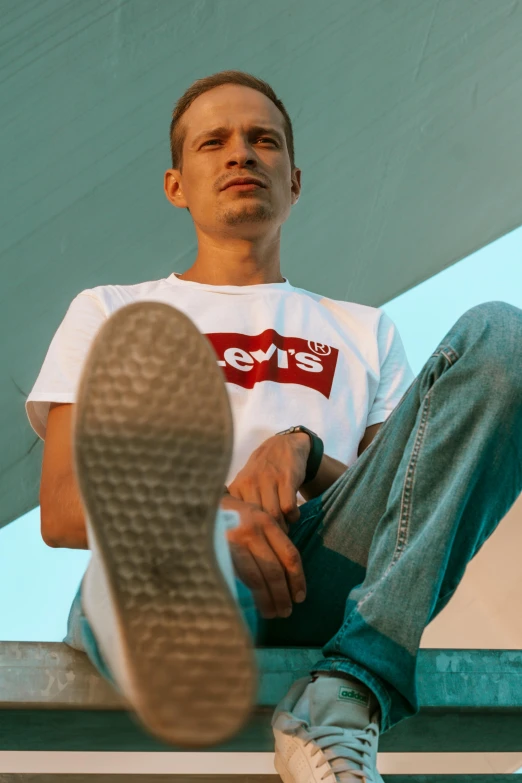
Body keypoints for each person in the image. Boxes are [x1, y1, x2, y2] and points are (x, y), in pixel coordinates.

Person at [25, 71, 522, 783]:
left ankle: (346, 691)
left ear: (294, 180)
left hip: (319, 577)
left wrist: (304, 449)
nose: (241, 155)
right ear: (176, 185)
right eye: (214, 142)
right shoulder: (109, 311)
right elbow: (63, 507)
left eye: (263, 141)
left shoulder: (365, 329)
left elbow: (407, 510)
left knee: (505, 337)